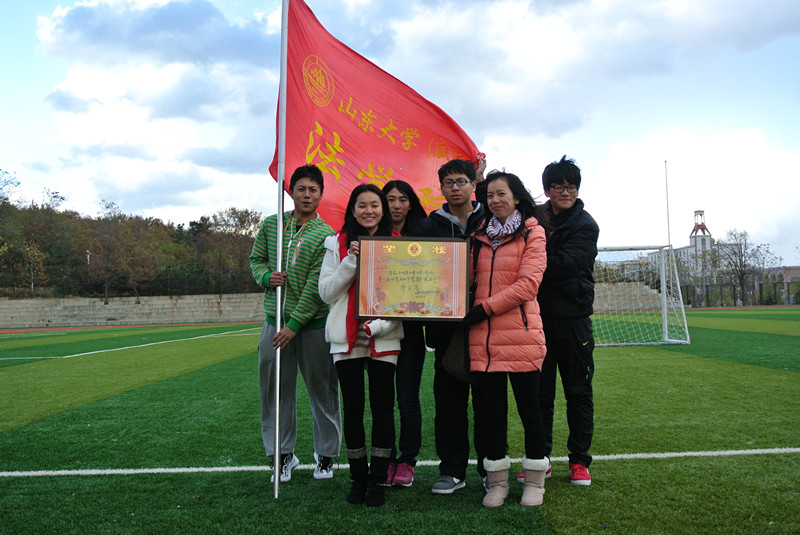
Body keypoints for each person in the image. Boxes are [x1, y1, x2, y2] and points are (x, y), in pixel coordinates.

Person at [249, 164, 342, 484]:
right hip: (273, 323)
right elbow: (256, 261)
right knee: (276, 390)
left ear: (321, 195)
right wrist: (265, 277)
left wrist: (294, 325)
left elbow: (318, 288)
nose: (306, 194)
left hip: (312, 326)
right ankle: (282, 454)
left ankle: (326, 455)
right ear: (290, 192)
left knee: (323, 390)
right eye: (301, 188)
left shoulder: (326, 235)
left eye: (313, 190)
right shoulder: (272, 225)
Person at [464, 170, 549, 508]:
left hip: (521, 336)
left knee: (531, 413)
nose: (495, 200)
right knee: (490, 416)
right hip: (481, 340)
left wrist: (484, 310)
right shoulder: (478, 233)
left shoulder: (533, 232)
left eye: (502, 194)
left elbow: (528, 285)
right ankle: (497, 483)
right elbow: (463, 279)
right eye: (489, 195)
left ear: (517, 197)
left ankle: (535, 482)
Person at [318, 184, 404, 507]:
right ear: (352, 210)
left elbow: (403, 300)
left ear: (383, 210)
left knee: (383, 410)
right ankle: (357, 478)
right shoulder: (335, 244)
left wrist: (376, 325)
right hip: (345, 336)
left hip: (383, 335)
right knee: (353, 411)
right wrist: (351, 262)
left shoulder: (399, 246)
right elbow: (325, 292)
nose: (369, 210)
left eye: (375, 205)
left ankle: (378, 479)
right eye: (362, 205)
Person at [414, 159, 486, 495]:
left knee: (488, 402)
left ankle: (491, 467)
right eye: (447, 182)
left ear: (474, 184)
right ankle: (453, 470)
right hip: (446, 330)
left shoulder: (492, 220)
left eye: (461, 181)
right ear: (440, 188)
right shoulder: (431, 226)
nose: (454, 187)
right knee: (449, 404)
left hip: (488, 325)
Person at [536, 155, 599, 486]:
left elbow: (560, 266)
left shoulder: (585, 225)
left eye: (570, 186)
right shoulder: (535, 216)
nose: (565, 191)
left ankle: (579, 461)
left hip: (575, 321)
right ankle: (541, 458)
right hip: (540, 320)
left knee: (578, 391)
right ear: (547, 190)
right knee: (541, 394)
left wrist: (533, 257)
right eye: (558, 186)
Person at [380, 180, 428, 488]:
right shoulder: (370, 236)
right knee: (383, 400)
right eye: (390, 199)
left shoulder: (424, 236)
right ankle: (385, 459)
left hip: (411, 330)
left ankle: (407, 461)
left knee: (407, 399)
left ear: (411, 204)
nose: (396, 205)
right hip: (379, 331)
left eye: (402, 199)